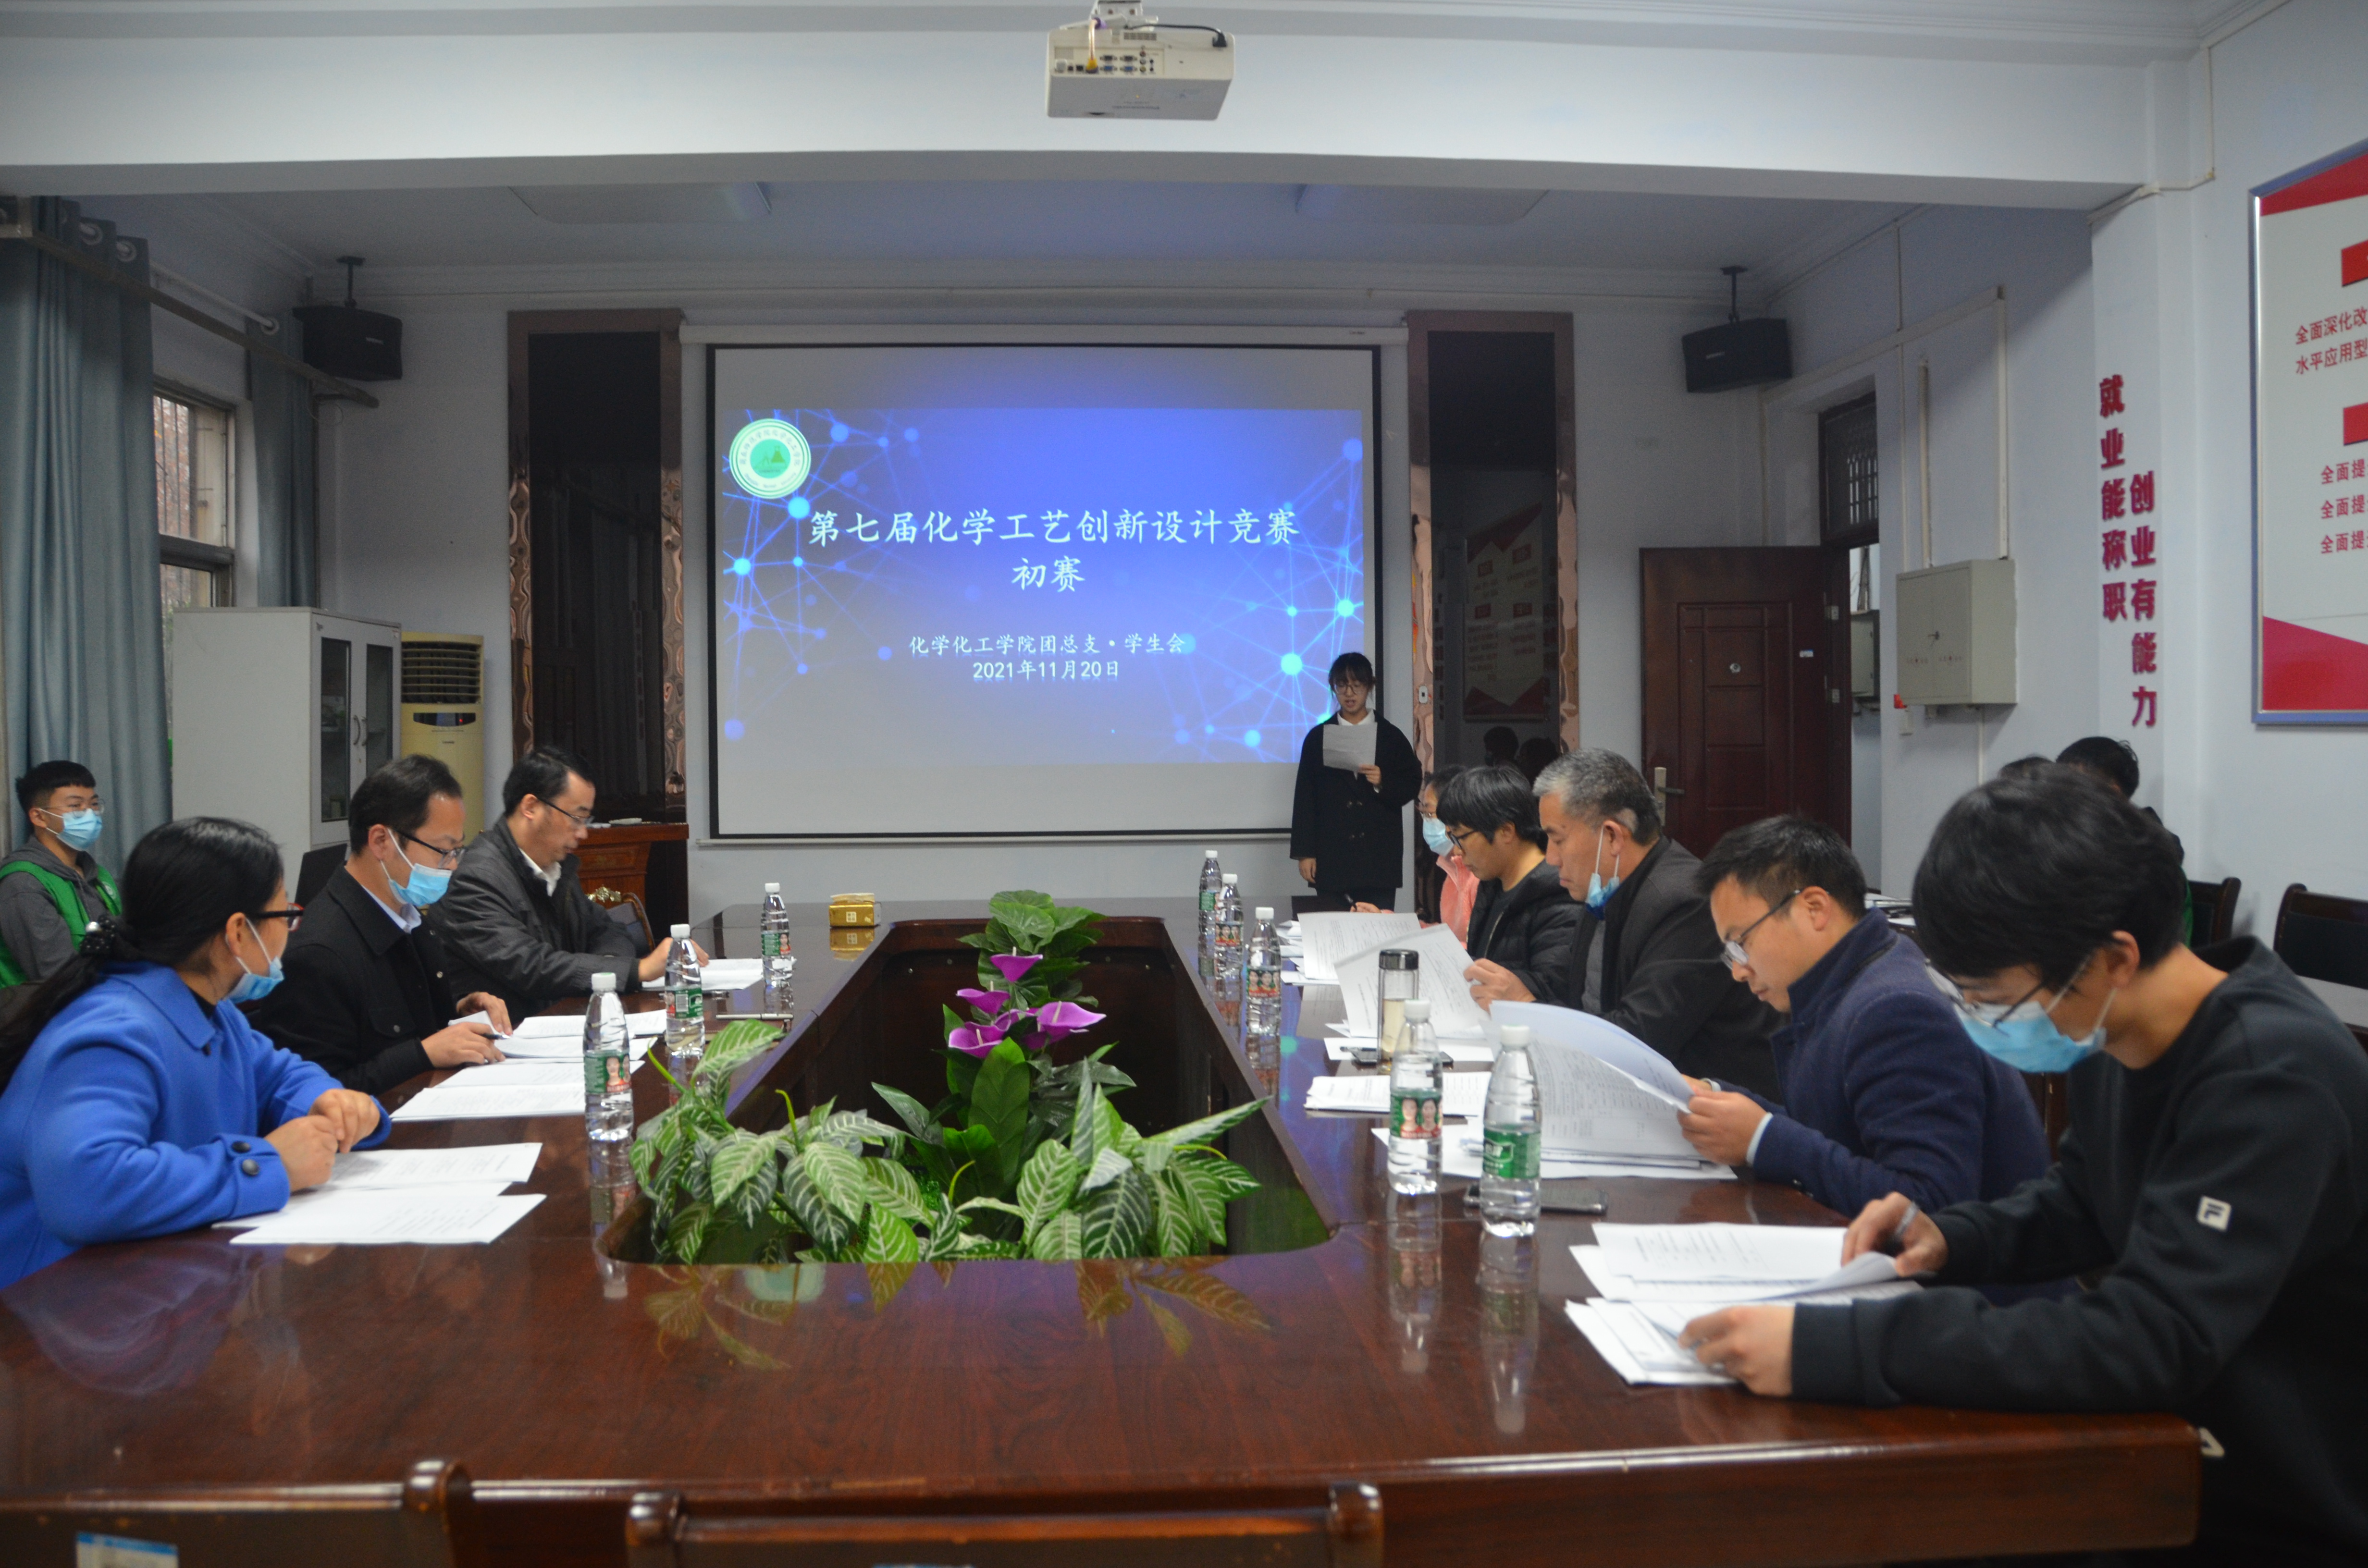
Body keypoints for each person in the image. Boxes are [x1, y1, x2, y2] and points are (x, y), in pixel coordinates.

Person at [1678, 772, 2368, 1565]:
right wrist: (1951, 1235)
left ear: (2113, 958)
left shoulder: (2270, 1081)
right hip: (2157, 1450)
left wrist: (1844, 1345)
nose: (1979, 1022)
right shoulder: (2114, 1028)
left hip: (2266, 1501)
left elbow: (2153, 1336)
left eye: (1992, 1000)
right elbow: (2081, 1199)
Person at [0, 817, 388, 1289]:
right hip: (55, 1305)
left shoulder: (210, 1010)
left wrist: (327, 1100)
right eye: (284, 915)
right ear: (238, 932)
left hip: (155, 1282)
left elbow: (278, 1074)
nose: (291, 929)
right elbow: (86, 1188)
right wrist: (269, 1165)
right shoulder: (112, 1034)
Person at [1677, 815, 2048, 1217]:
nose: (1739, 970)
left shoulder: (1898, 1011)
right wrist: (1720, 1100)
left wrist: (1763, 1140)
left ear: (1814, 909)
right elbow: (1837, 1133)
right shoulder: (1858, 975)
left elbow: (1928, 1204)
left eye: (1741, 942)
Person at [1468, 749, 1778, 1096]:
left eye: (1558, 840)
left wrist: (1528, 1008)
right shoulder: (1603, 888)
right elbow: (1579, 1001)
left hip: (1701, 1109)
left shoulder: (1684, 903)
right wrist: (1514, 990)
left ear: (1613, 836)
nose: (1551, 858)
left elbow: (1639, 1039)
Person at [246, 756, 513, 1095]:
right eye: (443, 851)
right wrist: (422, 1055)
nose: (453, 866)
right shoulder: (319, 954)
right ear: (381, 842)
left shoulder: (411, 920)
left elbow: (414, 1024)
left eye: (458, 851)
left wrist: (460, 1012)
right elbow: (315, 1095)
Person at [431, 747, 684, 1022]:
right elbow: (532, 966)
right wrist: (636, 971)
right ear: (531, 807)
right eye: (576, 818)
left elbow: (607, 930)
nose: (583, 832)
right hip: (506, 1036)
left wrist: (608, 973)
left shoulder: (555, 867)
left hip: (556, 1023)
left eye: (586, 820)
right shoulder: (476, 878)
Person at [1436, 765, 1579, 1004]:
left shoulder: (1559, 898)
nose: (1458, 851)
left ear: (1506, 831)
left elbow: (1553, 995)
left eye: (1461, 838)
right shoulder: (1492, 885)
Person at [1288, 653, 1419, 911]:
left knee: (1377, 928)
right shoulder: (1318, 738)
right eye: (1342, 685)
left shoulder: (1391, 736)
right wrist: (1305, 853)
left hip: (1378, 858)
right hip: (1332, 855)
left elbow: (1412, 783)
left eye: (1357, 686)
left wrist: (1383, 781)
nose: (1349, 694)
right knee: (1333, 928)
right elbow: (1305, 798)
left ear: (1369, 686)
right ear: (1333, 687)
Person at [0, 761, 121, 988]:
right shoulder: (24, 883)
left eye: (94, 805)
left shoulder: (99, 877)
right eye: (76, 806)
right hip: (50, 1007)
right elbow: (56, 975)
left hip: (103, 995)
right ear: (39, 817)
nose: (90, 814)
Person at [1418, 768, 1478, 945]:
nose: (1426, 822)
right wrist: (1387, 921)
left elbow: (1480, 950)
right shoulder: (1452, 865)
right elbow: (1449, 935)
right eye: (1423, 814)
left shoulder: (1480, 873)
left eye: (1430, 814)